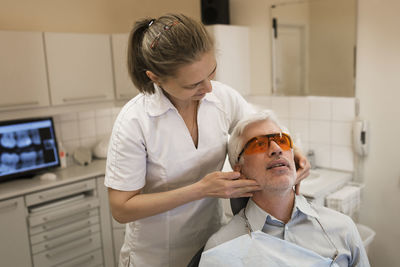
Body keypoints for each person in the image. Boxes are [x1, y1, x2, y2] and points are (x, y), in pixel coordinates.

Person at [105, 13, 310, 267]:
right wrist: (200, 190)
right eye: (193, 84)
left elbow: (260, 126)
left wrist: (293, 148)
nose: (208, 88)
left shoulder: (221, 98)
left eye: (211, 72)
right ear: (155, 77)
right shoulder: (135, 122)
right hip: (156, 255)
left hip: (211, 245)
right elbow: (121, 208)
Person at [200, 110, 370, 267]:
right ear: (240, 170)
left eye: (282, 141)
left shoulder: (342, 229)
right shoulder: (221, 249)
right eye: (259, 144)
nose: (276, 149)